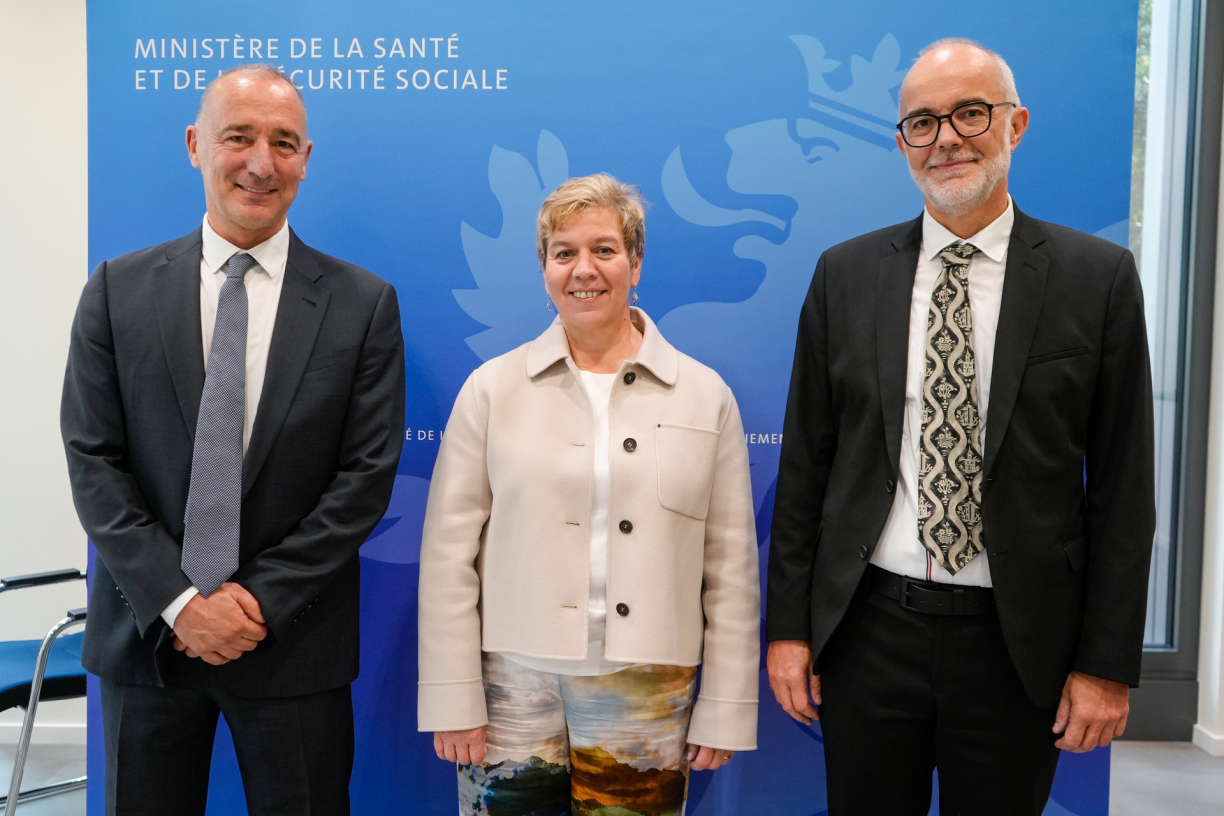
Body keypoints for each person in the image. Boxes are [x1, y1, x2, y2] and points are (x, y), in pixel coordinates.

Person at [765, 38, 1155, 816]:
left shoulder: (1096, 279)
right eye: (921, 122)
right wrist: (789, 632)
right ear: (902, 142)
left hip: (1019, 646)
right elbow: (809, 466)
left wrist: (1107, 665)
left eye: (970, 113)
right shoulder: (845, 275)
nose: (946, 138)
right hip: (869, 632)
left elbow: (1123, 486)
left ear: (1016, 124)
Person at [61, 64, 405, 815]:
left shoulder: (362, 304)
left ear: (306, 159)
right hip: (147, 639)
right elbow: (94, 460)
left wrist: (253, 602)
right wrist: (182, 603)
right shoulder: (118, 289)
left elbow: (365, 478)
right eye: (238, 137)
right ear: (195, 144)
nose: (261, 163)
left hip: (293, 645)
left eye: (284, 143)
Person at [417, 174, 760, 816]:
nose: (584, 270)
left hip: (650, 692)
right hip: (509, 688)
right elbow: (447, 559)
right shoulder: (491, 390)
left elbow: (731, 565)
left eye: (603, 249)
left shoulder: (704, 395)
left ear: (635, 262)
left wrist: (728, 705)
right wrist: (451, 696)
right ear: (544, 269)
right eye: (563, 251)